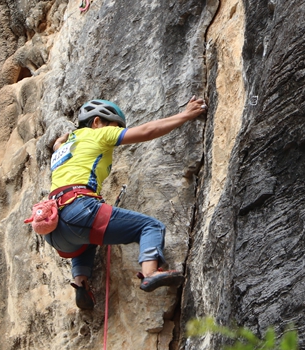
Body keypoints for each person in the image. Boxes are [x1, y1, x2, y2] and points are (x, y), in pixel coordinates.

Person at [44, 97, 207, 309]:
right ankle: (150, 272)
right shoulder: (98, 133)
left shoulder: (63, 148)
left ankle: (80, 282)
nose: (116, 131)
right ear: (96, 122)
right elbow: (147, 130)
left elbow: (58, 145)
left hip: (54, 228)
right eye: (114, 126)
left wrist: (58, 142)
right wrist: (185, 115)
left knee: (86, 236)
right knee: (150, 226)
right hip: (79, 208)